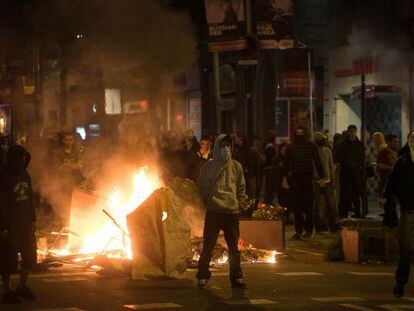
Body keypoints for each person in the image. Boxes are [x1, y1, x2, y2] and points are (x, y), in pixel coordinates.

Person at [197, 134, 246, 289]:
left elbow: (240, 187)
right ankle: (203, 276)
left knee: (233, 247)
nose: (226, 149)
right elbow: (203, 188)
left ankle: (236, 277)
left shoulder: (236, 167)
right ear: (217, 147)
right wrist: (211, 203)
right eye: (223, 145)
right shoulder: (208, 167)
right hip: (215, 212)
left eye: (228, 146)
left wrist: (236, 203)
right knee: (209, 246)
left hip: (230, 213)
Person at [0, 145, 36, 304]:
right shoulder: (4, 176)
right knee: (8, 259)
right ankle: (7, 290)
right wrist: (3, 226)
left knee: (29, 256)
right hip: (11, 224)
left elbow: (30, 198)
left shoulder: (24, 174)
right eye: (19, 158)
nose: (22, 161)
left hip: (25, 223)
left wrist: (33, 219)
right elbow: (1, 204)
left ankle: (22, 286)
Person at [384, 130, 414, 298]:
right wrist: (389, 203)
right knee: (406, 248)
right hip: (408, 210)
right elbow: (391, 185)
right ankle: (401, 282)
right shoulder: (402, 162)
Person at [286, 127, 324, 240]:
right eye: (298, 133)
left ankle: (308, 230)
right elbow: (287, 163)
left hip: (307, 178)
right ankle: (298, 231)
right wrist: (288, 179)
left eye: (301, 133)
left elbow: (317, 161)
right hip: (296, 179)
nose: (300, 135)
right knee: (297, 208)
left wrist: (321, 176)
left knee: (308, 207)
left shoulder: (310, 146)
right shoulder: (291, 147)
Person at [336, 125, 365, 218]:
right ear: (348, 132)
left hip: (356, 172)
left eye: (354, 131)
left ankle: (357, 212)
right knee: (345, 193)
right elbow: (338, 157)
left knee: (356, 193)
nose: (352, 133)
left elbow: (362, 156)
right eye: (351, 131)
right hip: (346, 172)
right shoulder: (343, 144)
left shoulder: (359, 144)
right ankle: (343, 212)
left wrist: (359, 166)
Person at [313, 132, 339, 233]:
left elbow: (330, 165)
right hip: (317, 181)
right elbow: (313, 166)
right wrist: (316, 178)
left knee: (330, 204)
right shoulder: (313, 151)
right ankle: (319, 226)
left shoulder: (327, 150)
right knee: (317, 204)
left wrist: (332, 180)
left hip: (327, 180)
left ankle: (332, 225)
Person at [274, 143, 291, 223]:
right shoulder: (277, 159)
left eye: (285, 150)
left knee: (288, 201)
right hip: (280, 183)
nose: (284, 152)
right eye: (282, 150)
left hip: (288, 183)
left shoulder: (290, 159)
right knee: (282, 202)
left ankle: (287, 217)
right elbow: (274, 172)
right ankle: (283, 218)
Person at [246, 135, 265, 207]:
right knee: (252, 191)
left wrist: (257, 152)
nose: (257, 142)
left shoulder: (260, 150)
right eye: (255, 141)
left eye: (258, 141)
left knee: (258, 191)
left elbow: (264, 160)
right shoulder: (250, 151)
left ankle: (255, 206)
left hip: (259, 174)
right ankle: (251, 207)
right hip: (252, 174)